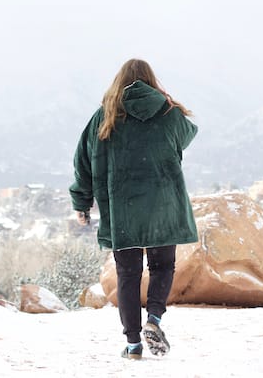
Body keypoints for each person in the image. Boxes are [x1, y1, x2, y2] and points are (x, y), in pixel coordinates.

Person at [69, 58, 199, 360]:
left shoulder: (104, 117)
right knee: (162, 267)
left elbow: (83, 164)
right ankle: (153, 320)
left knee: (128, 274)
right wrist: (168, 105)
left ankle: (133, 344)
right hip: (163, 207)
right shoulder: (169, 114)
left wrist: (82, 203)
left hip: (122, 209)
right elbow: (188, 135)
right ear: (152, 81)